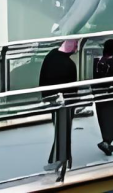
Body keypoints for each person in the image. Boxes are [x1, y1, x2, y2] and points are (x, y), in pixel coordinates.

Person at [39, 40, 78, 170]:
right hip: (65, 102)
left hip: (55, 100)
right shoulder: (69, 64)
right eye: (75, 44)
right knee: (64, 130)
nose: (76, 48)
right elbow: (72, 90)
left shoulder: (51, 56)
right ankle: (61, 159)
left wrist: (45, 97)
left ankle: (61, 158)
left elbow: (43, 78)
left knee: (61, 129)